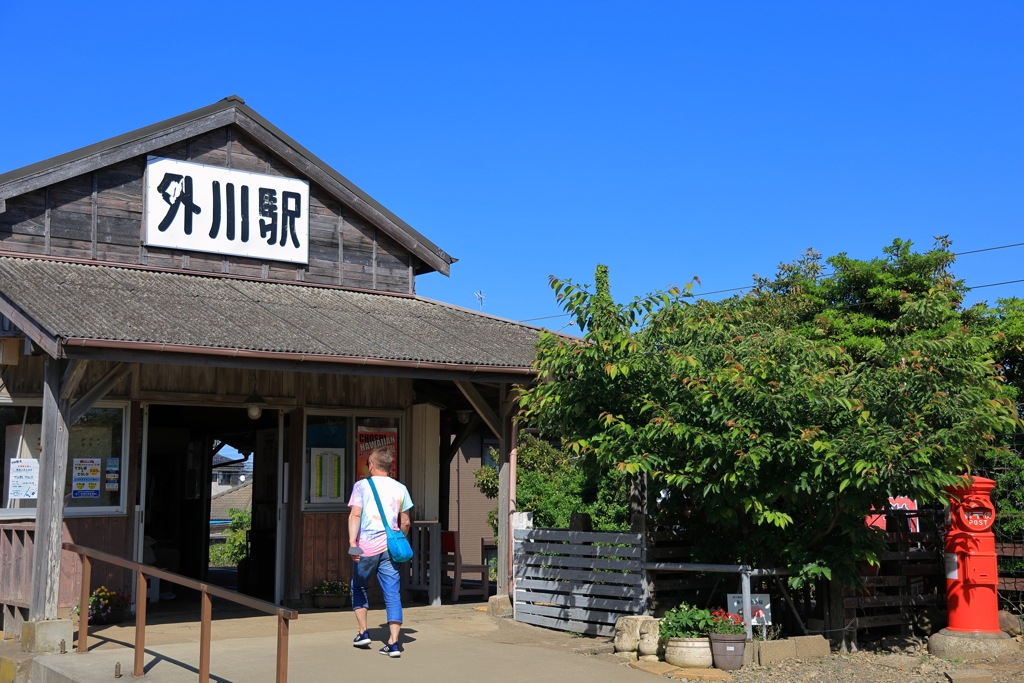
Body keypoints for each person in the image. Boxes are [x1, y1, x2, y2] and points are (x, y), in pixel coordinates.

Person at [347, 447, 412, 658]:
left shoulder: (362, 486)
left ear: (372, 465)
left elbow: (355, 516)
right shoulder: (401, 488)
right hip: (390, 550)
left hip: (366, 547)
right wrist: (398, 539)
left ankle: (363, 633)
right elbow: (406, 521)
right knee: (392, 594)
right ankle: (394, 643)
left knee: (359, 586)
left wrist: (352, 543)